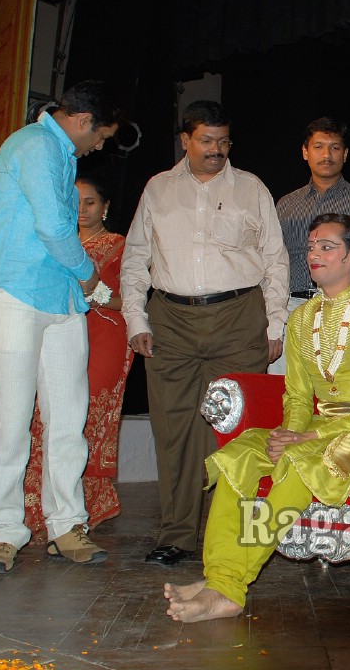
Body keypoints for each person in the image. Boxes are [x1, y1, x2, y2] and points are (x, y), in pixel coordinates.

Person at [163, 213, 350, 622]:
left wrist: (306, 442)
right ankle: (218, 577)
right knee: (235, 459)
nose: (314, 254)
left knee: (297, 463)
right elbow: (297, 395)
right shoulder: (300, 319)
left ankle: (229, 587)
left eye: (326, 247)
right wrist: (289, 433)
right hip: (313, 428)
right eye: (311, 246)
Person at [121, 100, 289, 567]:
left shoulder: (251, 187)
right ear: (186, 141)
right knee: (174, 430)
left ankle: (230, 532)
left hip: (238, 317)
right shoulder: (157, 189)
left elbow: (276, 260)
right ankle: (176, 535)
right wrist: (137, 319)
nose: (216, 150)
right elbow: (136, 257)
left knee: (237, 429)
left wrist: (276, 323)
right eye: (207, 141)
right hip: (170, 320)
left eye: (224, 141)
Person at [0, 81, 121, 574]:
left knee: (68, 413)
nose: (100, 146)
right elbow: (55, 227)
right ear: (82, 121)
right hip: (14, 290)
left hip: (59, 297)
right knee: (11, 413)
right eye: (102, 136)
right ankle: (5, 528)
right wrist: (92, 277)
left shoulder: (62, 154)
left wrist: (80, 287)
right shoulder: (33, 145)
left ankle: (66, 523)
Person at [272, 117, 350, 374]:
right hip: (293, 307)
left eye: (335, 147)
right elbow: (274, 261)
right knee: (286, 388)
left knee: (340, 386)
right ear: (305, 152)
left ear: (345, 154)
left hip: (346, 308)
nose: (326, 155)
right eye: (318, 147)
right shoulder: (286, 205)